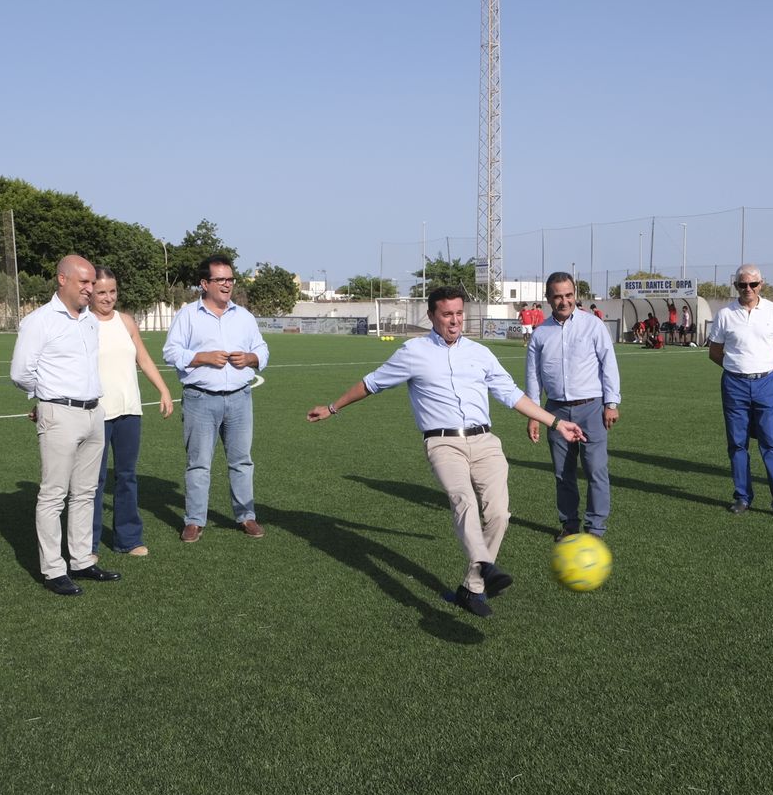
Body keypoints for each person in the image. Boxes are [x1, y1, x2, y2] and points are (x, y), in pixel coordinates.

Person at [307, 285, 586, 618]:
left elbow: (513, 396)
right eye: (446, 314)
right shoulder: (413, 352)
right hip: (442, 443)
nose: (454, 321)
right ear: (431, 316)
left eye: (458, 313)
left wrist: (556, 423)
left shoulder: (480, 354)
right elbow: (371, 383)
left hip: (485, 442)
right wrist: (332, 407)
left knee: (499, 514)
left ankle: (472, 588)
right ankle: (485, 565)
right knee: (463, 501)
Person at [9, 254, 121, 594]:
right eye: (84, 282)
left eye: (92, 282)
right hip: (60, 413)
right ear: (62, 280)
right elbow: (19, 372)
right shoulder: (39, 321)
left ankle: (82, 560)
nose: (91, 288)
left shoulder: (88, 320)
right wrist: (45, 399)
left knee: (86, 492)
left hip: (93, 411)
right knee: (54, 494)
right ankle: (53, 569)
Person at [162, 254, 269, 543]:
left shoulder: (244, 317)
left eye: (230, 279)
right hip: (200, 399)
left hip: (239, 399)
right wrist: (200, 357)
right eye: (220, 279)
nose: (227, 284)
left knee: (242, 461)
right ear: (204, 283)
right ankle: (195, 520)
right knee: (198, 463)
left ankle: (246, 516)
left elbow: (262, 348)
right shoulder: (188, 315)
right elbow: (170, 352)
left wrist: (252, 357)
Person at [525, 272, 621, 541]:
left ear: (575, 295)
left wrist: (611, 403)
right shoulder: (540, 333)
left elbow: (608, 365)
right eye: (557, 296)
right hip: (555, 411)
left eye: (568, 295)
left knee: (595, 469)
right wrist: (533, 414)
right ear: (548, 298)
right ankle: (569, 524)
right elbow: (533, 376)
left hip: (591, 407)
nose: (564, 301)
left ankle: (596, 528)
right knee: (562, 473)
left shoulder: (593, 325)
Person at [91, 266, 174, 557]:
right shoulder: (83, 323)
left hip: (129, 411)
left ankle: (128, 539)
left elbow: (143, 358)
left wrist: (163, 389)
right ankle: (87, 545)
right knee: (95, 481)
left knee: (127, 476)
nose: (108, 297)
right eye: (101, 291)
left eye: (112, 291)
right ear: (90, 291)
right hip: (96, 414)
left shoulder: (126, 322)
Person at [707, 264, 773, 521]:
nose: (748, 289)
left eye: (753, 284)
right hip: (734, 385)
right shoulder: (725, 314)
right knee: (737, 444)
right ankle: (743, 496)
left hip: (766, 384)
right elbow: (714, 351)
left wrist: (765, 370)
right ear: (735, 286)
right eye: (742, 284)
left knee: (772, 443)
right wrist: (737, 369)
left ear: (761, 284)